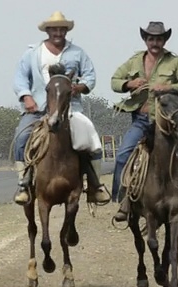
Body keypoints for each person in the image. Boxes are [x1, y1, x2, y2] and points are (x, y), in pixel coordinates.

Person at [110, 21, 178, 222]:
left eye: (159, 38)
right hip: (141, 121)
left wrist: (168, 87)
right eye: (151, 38)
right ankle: (123, 202)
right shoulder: (134, 61)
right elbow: (114, 81)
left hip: (168, 123)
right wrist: (129, 83)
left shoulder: (174, 62)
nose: (155, 42)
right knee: (122, 155)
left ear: (164, 40)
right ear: (145, 40)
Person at [12, 11, 110, 205]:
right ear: (47, 31)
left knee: (91, 140)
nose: (58, 32)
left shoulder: (78, 53)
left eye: (61, 29)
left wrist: (79, 87)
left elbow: (90, 76)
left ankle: (95, 185)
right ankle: (23, 183)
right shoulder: (33, 53)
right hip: (38, 108)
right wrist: (26, 96)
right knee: (20, 138)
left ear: (66, 31)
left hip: (71, 109)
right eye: (54, 29)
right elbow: (20, 77)